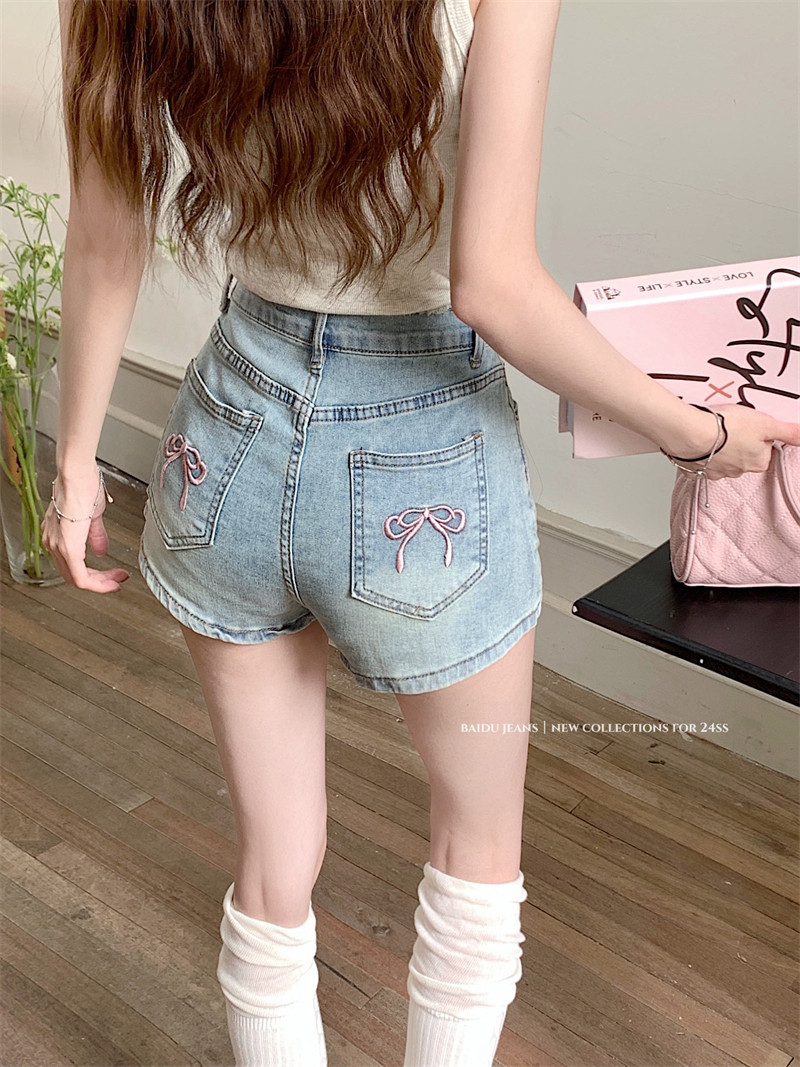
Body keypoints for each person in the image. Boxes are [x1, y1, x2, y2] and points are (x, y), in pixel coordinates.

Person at [42, 0, 800, 1065]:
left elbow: (102, 234)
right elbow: (494, 286)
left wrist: (78, 461)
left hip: (228, 432)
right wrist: (697, 433)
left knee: (272, 868)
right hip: (425, 444)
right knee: (475, 856)